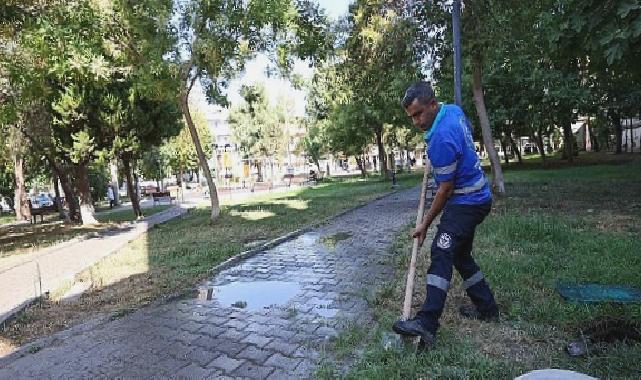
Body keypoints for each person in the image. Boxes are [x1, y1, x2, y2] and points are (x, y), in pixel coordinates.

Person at [392, 81, 499, 347]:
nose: (416, 122)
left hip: (467, 202)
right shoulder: (452, 111)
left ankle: (427, 322)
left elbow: (445, 190)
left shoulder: (441, 137)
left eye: (419, 114)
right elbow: (466, 134)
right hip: (478, 196)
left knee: (441, 251)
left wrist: (425, 224)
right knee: (460, 255)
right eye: (411, 117)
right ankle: (488, 309)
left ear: (433, 104)